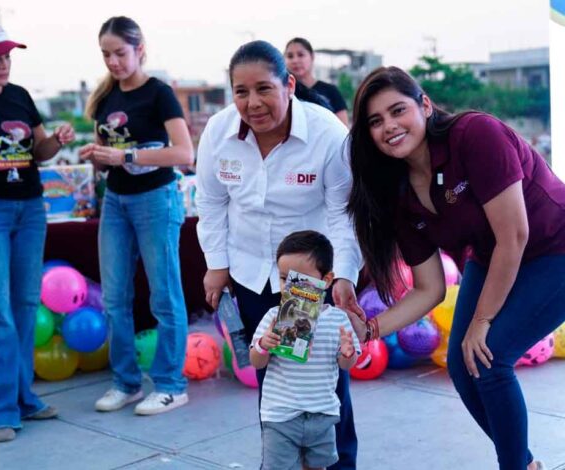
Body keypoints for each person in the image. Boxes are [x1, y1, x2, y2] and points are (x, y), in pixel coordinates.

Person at [346, 67, 565, 470]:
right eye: (376, 121)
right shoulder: (399, 193)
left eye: (398, 111)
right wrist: (369, 329)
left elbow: (514, 235)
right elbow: (428, 289)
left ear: (425, 105)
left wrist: (482, 321)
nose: (389, 126)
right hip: (492, 255)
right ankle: (525, 464)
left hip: (560, 249)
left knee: (488, 357)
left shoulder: (476, 134)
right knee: (465, 371)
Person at [195, 40, 363, 469]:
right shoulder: (218, 131)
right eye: (240, 91)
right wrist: (216, 265)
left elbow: (344, 213)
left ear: (289, 83)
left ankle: (336, 464)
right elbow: (211, 202)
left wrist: (343, 275)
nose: (253, 104)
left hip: (303, 279)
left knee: (322, 380)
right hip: (250, 273)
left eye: (264, 89)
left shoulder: (326, 132)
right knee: (274, 384)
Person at [78, 16, 194, 416]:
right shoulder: (105, 98)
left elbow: (184, 153)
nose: (113, 62)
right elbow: (105, 153)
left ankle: (170, 384)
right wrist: (93, 157)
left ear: (140, 49)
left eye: (120, 53)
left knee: (164, 295)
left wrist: (125, 155)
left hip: (155, 200)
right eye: (106, 55)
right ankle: (126, 382)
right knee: (114, 298)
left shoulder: (158, 93)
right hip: (115, 201)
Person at [0, 20, 76, 443]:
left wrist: (56, 141)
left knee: (24, 304)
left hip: (29, 208)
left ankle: (23, 397)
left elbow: (37, 150)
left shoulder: (20, 96)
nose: (3, 64)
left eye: (7, 56)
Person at [251, 230, 360, 470]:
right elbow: (257, 362)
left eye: (299, 278)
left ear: (327, 279)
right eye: (283, 278)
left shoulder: (338, 320)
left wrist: (347, 353)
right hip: (280, 415)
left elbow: (345, 366)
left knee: (317, 467)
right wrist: (263, 345)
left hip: (320, 413)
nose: (290, 286)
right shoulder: (273, 317)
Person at [285, 38, 349, 126]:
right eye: (290, 56)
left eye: (300, 55)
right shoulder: (284, 93)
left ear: (312, 57)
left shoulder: (331, 91)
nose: (295, 60)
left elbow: (343, 128)